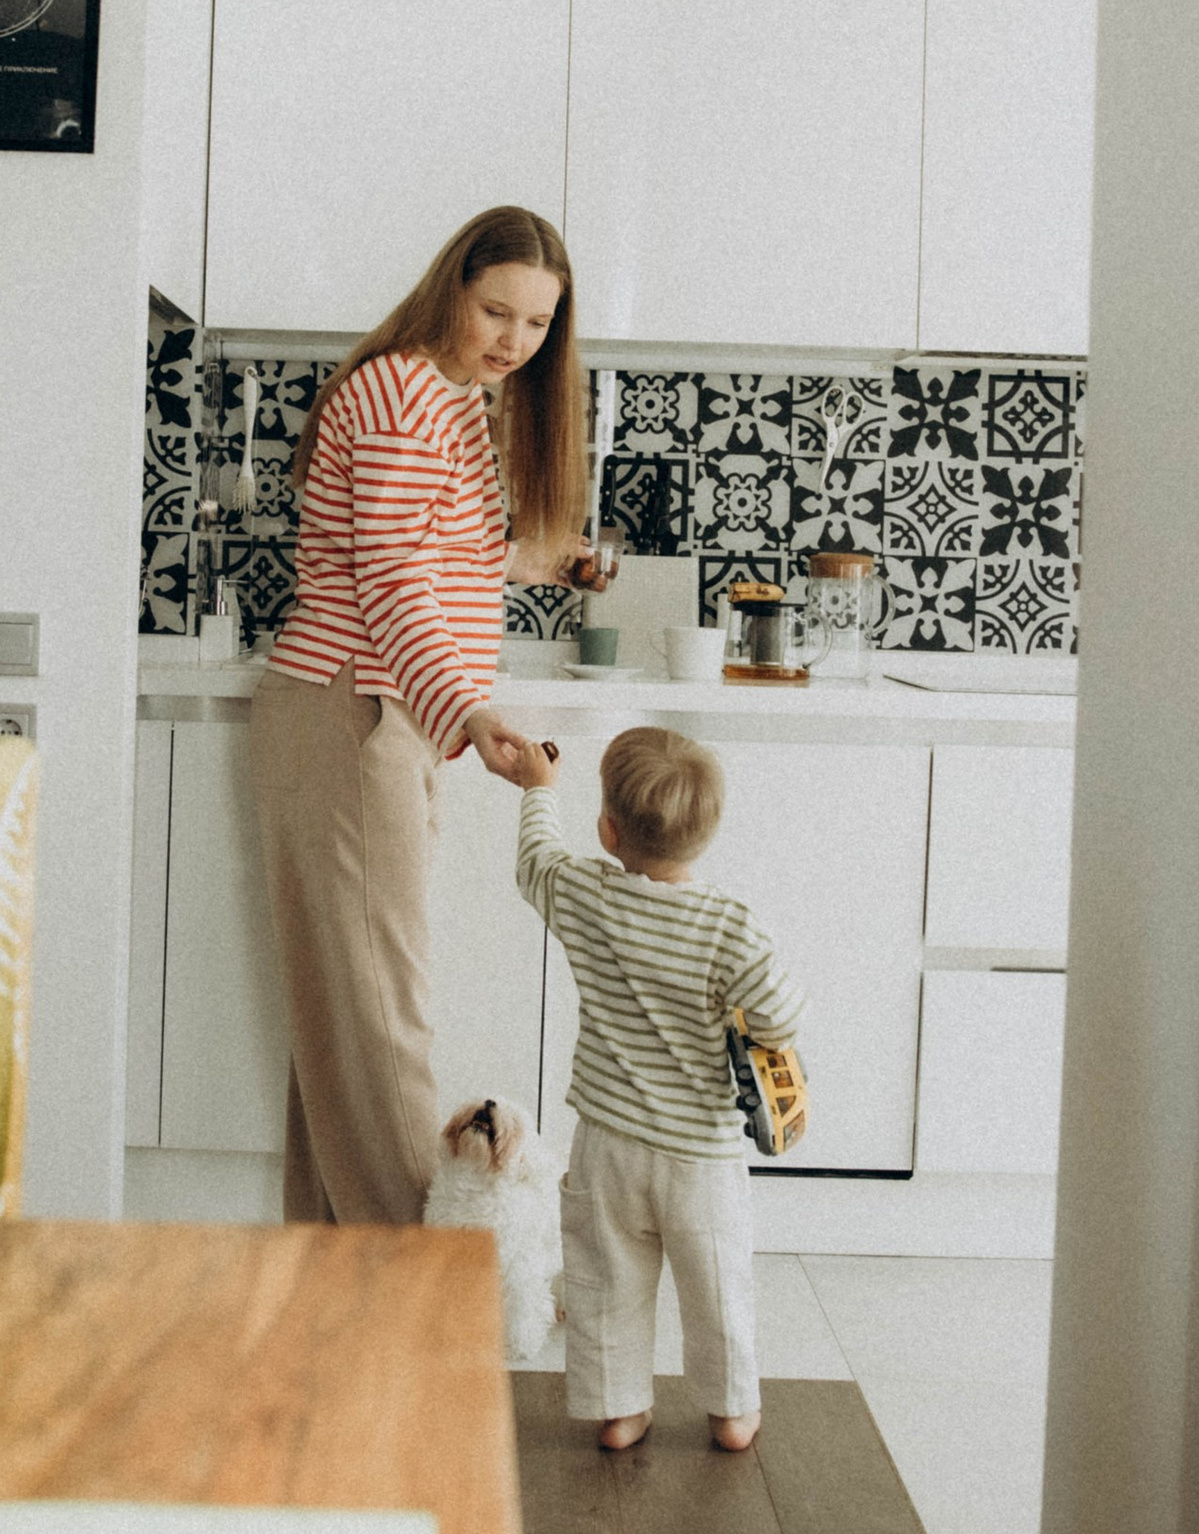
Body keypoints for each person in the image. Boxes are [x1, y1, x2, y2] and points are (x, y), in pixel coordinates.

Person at [251, 204, 585, 1228]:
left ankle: (334, 1279)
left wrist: (540, 561)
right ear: (452, 285)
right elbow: (392, 577)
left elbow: (432, 551)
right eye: (495, 311)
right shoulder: (402, 395)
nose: (512, 343)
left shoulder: (441, 398)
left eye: (535, 326)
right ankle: (424, 1293)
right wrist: (466, 710)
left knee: (344, 1021)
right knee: (383, 1020)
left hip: (370, 713)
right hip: (359, 712)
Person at [512, 725, 804, 1454]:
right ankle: (731, 1412)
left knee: (607, 1281)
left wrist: (538, 791)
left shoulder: (586, 896)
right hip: (699, 1154)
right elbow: (779, 1017)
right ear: (707, 832)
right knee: (717, 1290)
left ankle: (619, 1410)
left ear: (609, 830)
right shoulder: (729, 926)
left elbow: (535, 863)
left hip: (608, 1144)